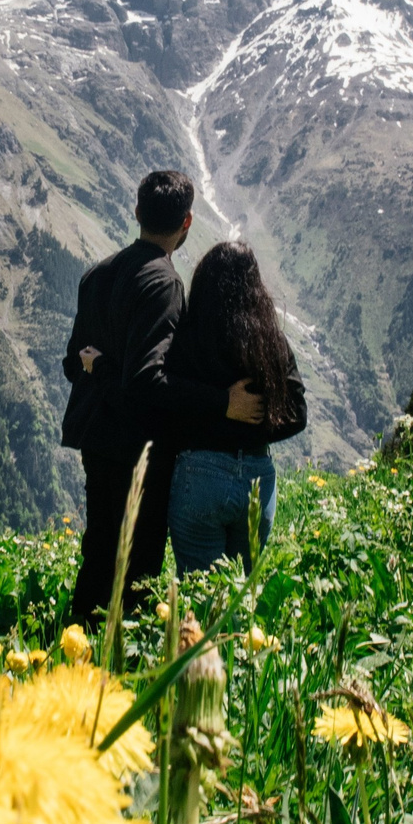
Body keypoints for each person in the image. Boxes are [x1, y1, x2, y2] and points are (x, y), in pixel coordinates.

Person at [59, 171, 258, 624]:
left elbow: (74, 362)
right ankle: (125, 658)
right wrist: (222, 402)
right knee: (139, 561)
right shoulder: (164, 284)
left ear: (136, 213)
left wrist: (98, 365)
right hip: (139, 446)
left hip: (96, 438)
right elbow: (148, 380)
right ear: (186, 222)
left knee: (100, 549)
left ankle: (78, 644)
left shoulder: (97, 274)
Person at [160, 241, 306, 574]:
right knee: (240, 597)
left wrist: (218, 413)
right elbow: (298, 412)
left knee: (201, 599)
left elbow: (167, 399)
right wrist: (253, 423)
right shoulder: (270, 341)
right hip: (257, 476)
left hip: (201, 473)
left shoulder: (188, 336)